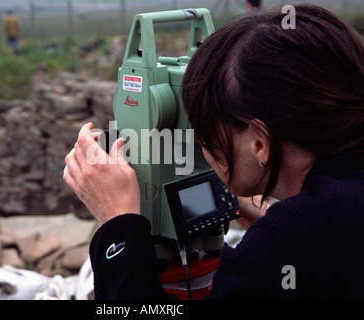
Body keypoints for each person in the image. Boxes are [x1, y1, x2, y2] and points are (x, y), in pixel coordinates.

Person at [63, 4, 364, 299]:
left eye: (203, 135)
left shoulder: (288, 241)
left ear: (259, 143)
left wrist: (119, 222)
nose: (200, 151)